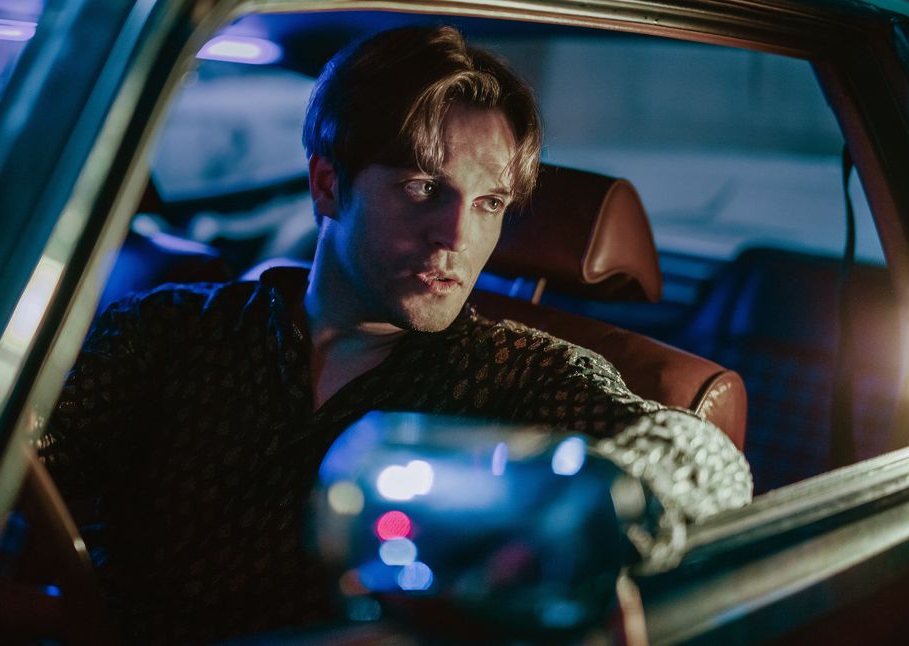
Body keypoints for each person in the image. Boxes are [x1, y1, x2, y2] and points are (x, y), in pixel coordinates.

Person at [39, 24, 752, 645]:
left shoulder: (516, 375)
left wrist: (593, 511)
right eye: (422, 188)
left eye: (489, 203)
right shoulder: (167, 328)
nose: (457, 237)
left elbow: (708, 458)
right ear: (328, 185)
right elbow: (20, 467)